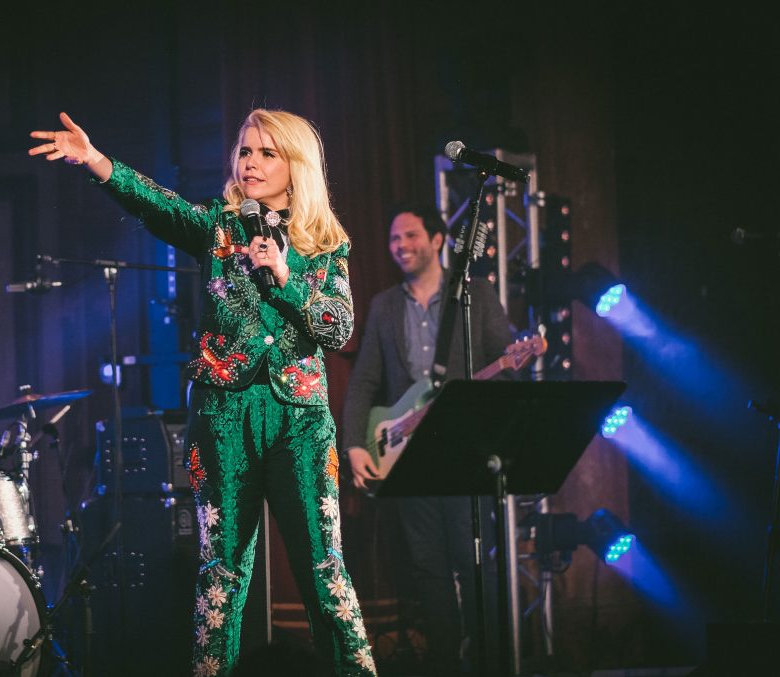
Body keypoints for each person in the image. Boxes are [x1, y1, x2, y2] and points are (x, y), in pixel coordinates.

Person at [30, 110, 376, 677]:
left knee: (324, 568)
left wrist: (286, 278)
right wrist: (96, 161)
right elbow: (159, 205)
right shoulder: (218, 225)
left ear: (296, 165)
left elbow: (338, 330)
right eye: (245, 151)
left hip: (300, 420)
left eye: (267, 153)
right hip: (223, 414)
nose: (252, 163)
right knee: (222, 574)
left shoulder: (324, 242)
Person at [341, 203, 512, 675]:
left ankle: (489, 662)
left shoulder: (475, 295)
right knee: (427, 569)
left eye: (411, 236)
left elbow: (504, 370)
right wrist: (355, 443)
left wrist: (475, 400)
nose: (401, 247)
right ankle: (444, 665)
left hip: (463, 451)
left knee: (475, 563)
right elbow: (363, 382)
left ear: (438, 240)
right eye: (395, 240)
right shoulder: (383, 306)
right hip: (404, 455)